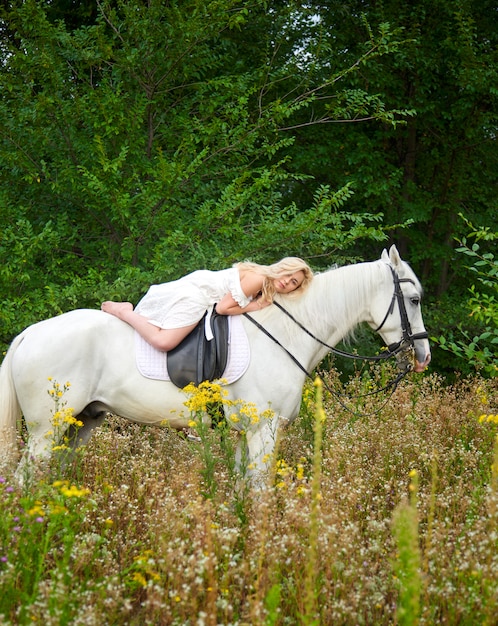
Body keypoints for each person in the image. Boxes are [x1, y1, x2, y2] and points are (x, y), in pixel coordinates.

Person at [101, 257, 313, 352]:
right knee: (163, 341)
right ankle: (123, 311)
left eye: (293, 282)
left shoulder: (264, 285)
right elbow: (223, 308)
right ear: (281, 268)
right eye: (288, 275)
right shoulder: (258, 278)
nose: (286, 281)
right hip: (198, 295)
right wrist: (253, 307)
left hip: (200, 287)